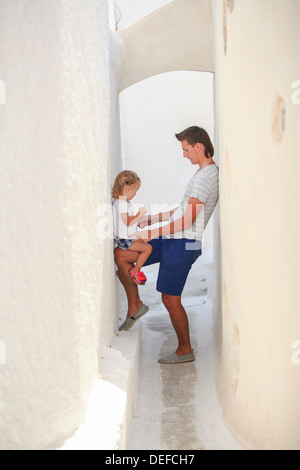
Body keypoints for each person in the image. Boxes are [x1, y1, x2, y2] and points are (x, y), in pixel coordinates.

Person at [114, 127, 219, 364]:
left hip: (185, 243)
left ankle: (185, 350)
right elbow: (182, 209)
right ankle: (136, 305)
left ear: (198, 147)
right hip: (174, 238)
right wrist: (153, 218)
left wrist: (151, 232)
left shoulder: (205, 178)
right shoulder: (203, 173)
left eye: (186, 149)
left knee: (170, 299)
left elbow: (188, 220)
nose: (184, 155)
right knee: (121, 254)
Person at [112, 170, 153, 286]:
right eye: (136, 191)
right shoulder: (122, 204)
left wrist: (138, 221)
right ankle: (135, 271)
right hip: (124, 239)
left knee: (149, 236)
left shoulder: (121, 201)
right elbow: (128, 222)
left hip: (125, 235)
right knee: (148, 248)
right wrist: (140, 214)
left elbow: (125, 222)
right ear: (128, 189)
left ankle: (134, 270)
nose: (135, 194)